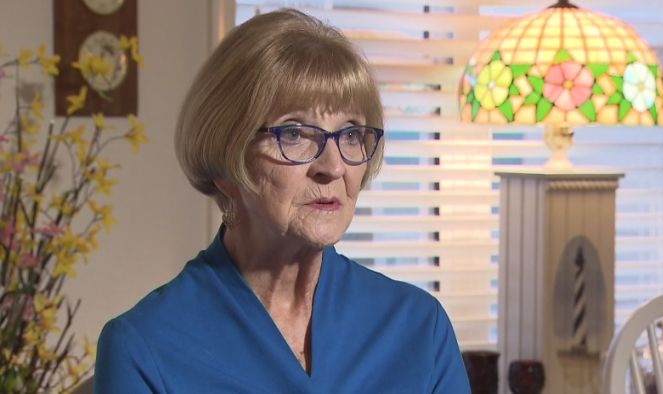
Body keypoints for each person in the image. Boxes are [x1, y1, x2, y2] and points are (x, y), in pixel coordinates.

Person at [94, 9, 470, 393]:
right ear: (226, 162)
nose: (333, 166)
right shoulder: (145, 346)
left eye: (352, 133)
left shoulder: (419, 328)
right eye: (293, 133)